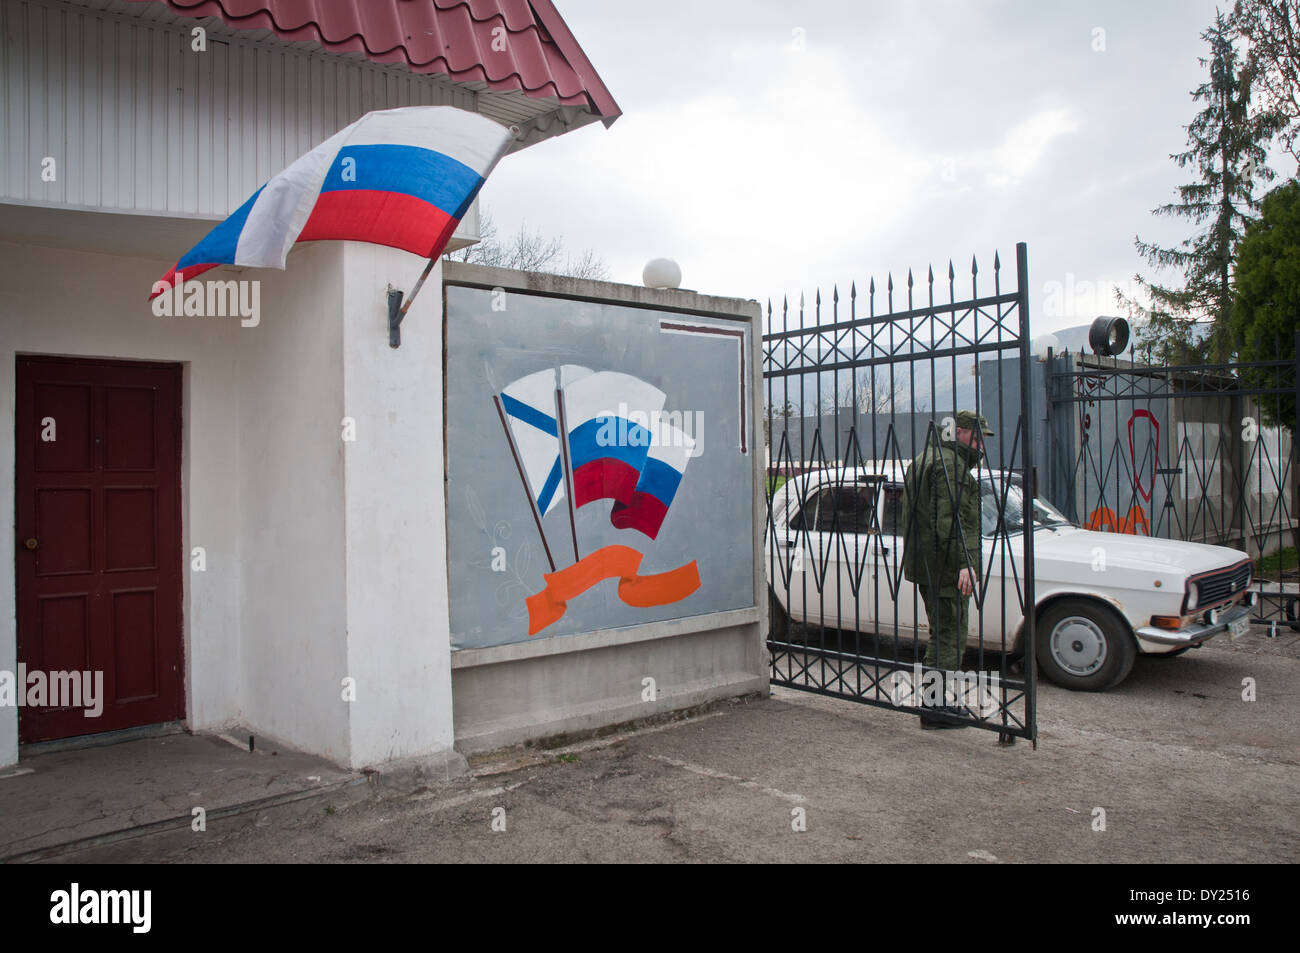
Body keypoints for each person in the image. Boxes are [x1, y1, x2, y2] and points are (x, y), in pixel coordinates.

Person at [901, 410, 993, 729]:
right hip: (945, 566)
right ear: (963, 433)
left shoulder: (923, 458)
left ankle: (936, 703)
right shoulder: (950, 465)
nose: (982, 444)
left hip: (927, 562)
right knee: (949, 636)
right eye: (978, 435)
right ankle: (935, 708)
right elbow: (951, 521)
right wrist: (965, 563)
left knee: (941, 632)